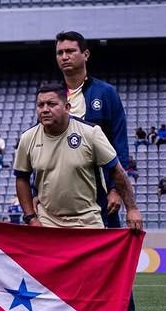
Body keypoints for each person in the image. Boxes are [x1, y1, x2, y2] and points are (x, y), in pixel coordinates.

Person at [55, 30, 135, 311]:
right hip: (63, 196)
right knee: (64, 263)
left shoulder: (105, 93)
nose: (64, 57)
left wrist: (116, 190)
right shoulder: (52, 94)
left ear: (85, 54)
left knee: (110, 262)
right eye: (60, 52)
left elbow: (120, 145)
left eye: (70, 51)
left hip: (101, 196)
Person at [15, 83, 141, 230]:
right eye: (40, 105)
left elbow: (116, 171)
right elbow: (21, 178)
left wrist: (132, 208)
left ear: (67, 107)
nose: (45, 110)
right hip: (47, 223)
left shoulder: (91, 133)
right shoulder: (27, 138)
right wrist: (31, 217)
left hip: (88, 222)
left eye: (51, 104)